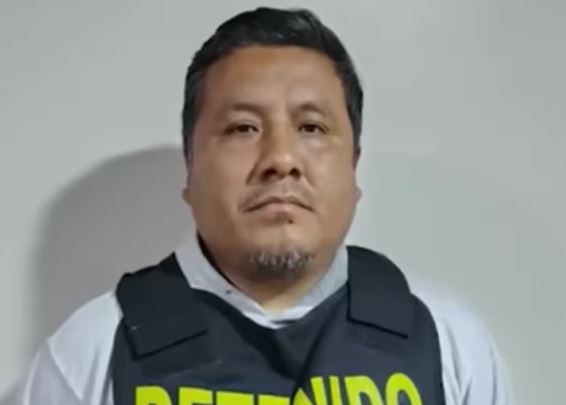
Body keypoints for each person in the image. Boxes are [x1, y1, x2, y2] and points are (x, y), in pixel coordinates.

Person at [15, 7, 511, 405]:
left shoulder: (449, 344)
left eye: (312, 127)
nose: (281, 159)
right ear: (190, 167)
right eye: (242, 128)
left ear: (354, 167)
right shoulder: (90, 353)